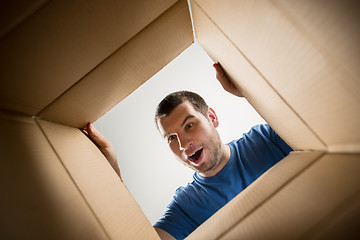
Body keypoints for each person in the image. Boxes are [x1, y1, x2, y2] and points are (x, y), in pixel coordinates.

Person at [86, 63, 292, 240]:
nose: (183, 145)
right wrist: (112, 179)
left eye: (189, 126)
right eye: (171, 138)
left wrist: (252, 89)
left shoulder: (266, 139)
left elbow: (318, 123)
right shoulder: (186, 206)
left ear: (212, 118)